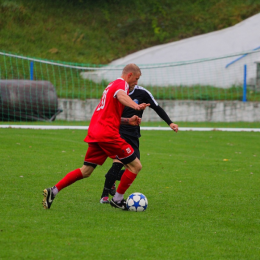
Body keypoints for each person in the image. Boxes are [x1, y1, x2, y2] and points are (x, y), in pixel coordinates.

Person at [42, 63, 150, 210]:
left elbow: (109, 116)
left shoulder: (110, 86)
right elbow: (121, 95)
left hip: (96, 132)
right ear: (129, 75)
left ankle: (53, 191)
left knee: (86, 170)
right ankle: (117, 199)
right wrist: (135, 106)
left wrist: (128, 121)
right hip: (108, 134)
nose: (136, 83)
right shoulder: (121, 84)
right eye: (136, 79)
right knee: (135, 166)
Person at [100, 84, 179, 203]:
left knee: (135, 166)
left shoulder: (142, 93)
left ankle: (111, 178)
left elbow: (157, 107)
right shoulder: (117, 91)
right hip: (118, 132)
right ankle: (105, 196)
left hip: (133, 134)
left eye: (137, 79)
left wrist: (170, 123)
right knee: (118, 162)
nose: (134, 81)